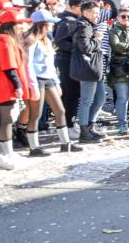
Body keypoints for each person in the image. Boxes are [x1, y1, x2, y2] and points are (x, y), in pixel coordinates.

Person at [22, 9, 84, 156]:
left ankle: (65, 143)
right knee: (35, 115)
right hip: (36, 79)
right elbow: (28, 64)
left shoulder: (46, 40)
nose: (52, 25)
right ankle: (34, 147)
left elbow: (51, 64)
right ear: (42, 24)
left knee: (60, 110)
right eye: (50, 22)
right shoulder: (31, 40)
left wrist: (56, 82)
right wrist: (32, 85)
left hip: (49, 78)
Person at [0, 9, 33, 170]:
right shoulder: (5, 40)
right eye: (19, 24)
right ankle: (6, 154)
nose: (21, 27)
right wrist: (17, 85)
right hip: (4, 86)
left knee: (3, 121)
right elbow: (9, 65)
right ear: (11, 25)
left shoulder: (4, 39)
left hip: (3, 84)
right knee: (6, 121)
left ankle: (4, 154)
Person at [71, 1, 106, 143]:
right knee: (87, 100)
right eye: (95, 13)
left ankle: (91, 126)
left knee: (100, 97)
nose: (97, 15)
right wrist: (97, 39)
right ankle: (84, 132)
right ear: (86, 13)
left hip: (93, 69)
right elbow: (85, 47)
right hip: (87, 69)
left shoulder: (88, 25)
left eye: (98, 12)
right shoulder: (83, 26)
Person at [53, 0, 82, 135]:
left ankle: (71, 123)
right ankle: (67, 125)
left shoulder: (75, 20)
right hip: (66, 62)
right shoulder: (67, 21)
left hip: (73, 61)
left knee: (75, 93)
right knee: (69, 93)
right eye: (81, 7)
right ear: (73, 7)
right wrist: (78, 48)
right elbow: (61, 42)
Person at [109, 7, 129, 135]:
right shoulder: (113, 30)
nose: (126, 19)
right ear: (118, 17)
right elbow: (116, 46)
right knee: (123, 98)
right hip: (119, 67)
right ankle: (122, 125)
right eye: (123, 16)